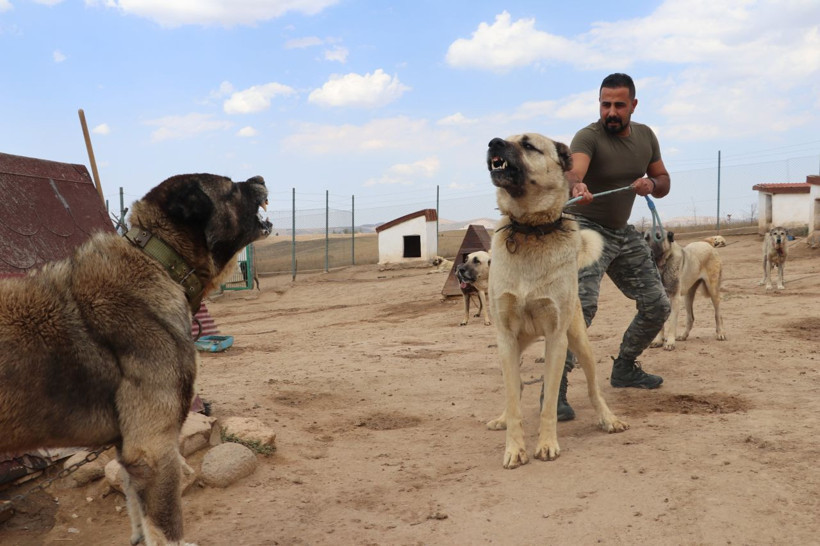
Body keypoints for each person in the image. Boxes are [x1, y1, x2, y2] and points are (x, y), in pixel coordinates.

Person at [548, 73, 672, 421]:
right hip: (587, 230)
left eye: (619, 105)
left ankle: (625, 368)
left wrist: (651, 183)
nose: (611, 112)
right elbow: (574, 171)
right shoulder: (589, 136)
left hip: (622, 233)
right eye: (605, 104)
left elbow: (663, 180)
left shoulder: (646, 137)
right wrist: (576, 187)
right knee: (581, 309)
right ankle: (554, 390)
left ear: (633, 105)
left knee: (657, 305)